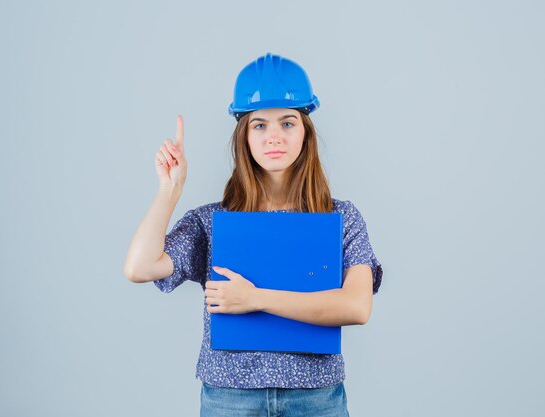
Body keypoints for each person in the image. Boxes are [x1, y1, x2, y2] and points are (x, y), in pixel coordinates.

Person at [124, 52, 383, 417]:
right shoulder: (211, 221)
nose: (273, 136)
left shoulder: (341, 218)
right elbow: (140, 267)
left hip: (315, 398)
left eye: (288, 123)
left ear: (306, 132)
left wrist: (255, 298)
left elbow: (356, 307)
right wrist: (171, 188)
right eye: (259, 125)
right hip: (230, 398)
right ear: (243, 135)